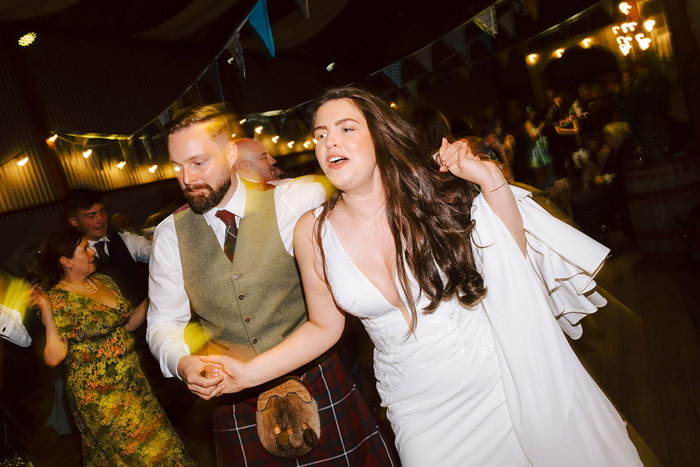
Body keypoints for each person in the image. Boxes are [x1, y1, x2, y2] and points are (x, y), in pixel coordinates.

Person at [204, 87, 643, 466]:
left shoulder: (433, 197)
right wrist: (246, 374)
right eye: (320, 134)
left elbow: (513, 259)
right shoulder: (312, 233)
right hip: (419, 412)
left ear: (379, 137)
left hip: (500, 384)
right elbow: (324, 327)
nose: (328, 141)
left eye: (345, 128)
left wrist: (490, 181)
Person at [146, 104, 397, 465]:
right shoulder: (170, 236)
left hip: (315, 379)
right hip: (234, 398)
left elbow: (369, 188)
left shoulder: (295, 199)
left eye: (198, 163)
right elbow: (163, 321)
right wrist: (181, 361)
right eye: (177, 167)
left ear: (231, 153)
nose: (186, 178)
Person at [31, 229, 192, 465]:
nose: (92, 251)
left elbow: (126, 325)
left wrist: (155, 296)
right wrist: (46, 312)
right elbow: (55, 356)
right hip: (99, 398)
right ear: (66, 261)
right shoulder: (57, 300)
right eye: (84, 248)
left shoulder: (105, 282)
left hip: (134, 383)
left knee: (163, 445)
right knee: (140, 455)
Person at [64, 189, 151, 312]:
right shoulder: (73, 259)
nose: (100, 219)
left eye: (103, 212)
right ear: (74, 221)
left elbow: (157, 252)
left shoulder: (125, 239)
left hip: (148, 317)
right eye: (91, 216)